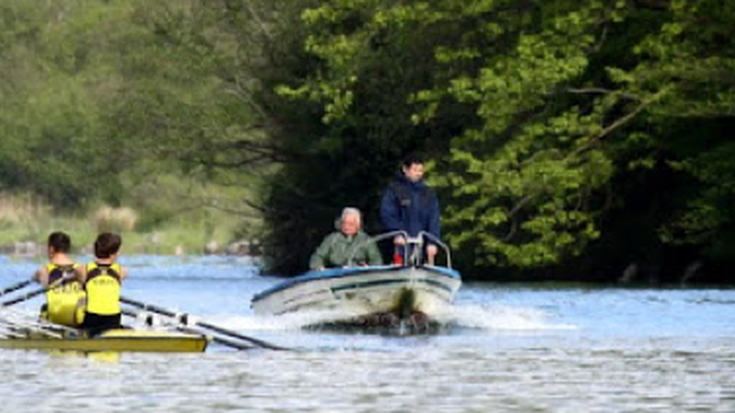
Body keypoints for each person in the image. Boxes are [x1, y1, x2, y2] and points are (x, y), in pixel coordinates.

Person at [380, 154, 441, 265]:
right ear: (405, 169)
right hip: (399, 244)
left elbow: (434, 219)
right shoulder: (394, 190)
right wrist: (396, 233)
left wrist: (433, 242)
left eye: (421, 170)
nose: (418, 173)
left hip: (422, 246)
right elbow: (388, 214)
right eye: (415, 170)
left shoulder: (429, 193)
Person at [80, 232, 128, 336]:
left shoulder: (84, 269)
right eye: (118, 251)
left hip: (92, 319)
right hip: (113, 319)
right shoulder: (122, 271)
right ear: (112, 254)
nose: (119, 254)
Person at [33, 231, 86, 327]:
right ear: (68, 249)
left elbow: (36, 280)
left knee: (44, 308)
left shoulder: (44, 271)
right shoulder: (81, 269)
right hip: (77, 317)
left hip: (56, 317)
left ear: (51, 249)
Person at [309, 207, 383, 270]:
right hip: (337, 273)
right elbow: (318, 255)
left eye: (350, 224)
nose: (346, 227)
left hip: (359, 272)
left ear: (358, 225)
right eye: (344, 223)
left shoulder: (366, 240)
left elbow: (376, 259)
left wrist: (369, 268)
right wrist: (318, 267)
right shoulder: (332, 239)